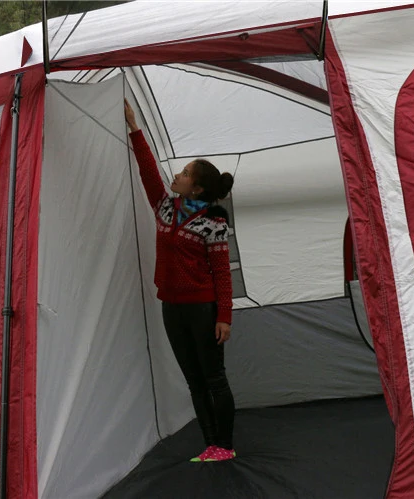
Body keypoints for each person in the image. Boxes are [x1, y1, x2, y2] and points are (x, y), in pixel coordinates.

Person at [124, 99, 236, 462]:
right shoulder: (166, 207)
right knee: (193, 381)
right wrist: (134, 128)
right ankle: (210, 446)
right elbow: (147, 172)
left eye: (185, 172)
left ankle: (226, 446)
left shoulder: (214, 222)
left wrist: (224, 317)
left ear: (197, 188)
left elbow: (222, 272)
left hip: (203, 311)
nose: (178, 174)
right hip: (171, 308)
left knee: (214, 379)